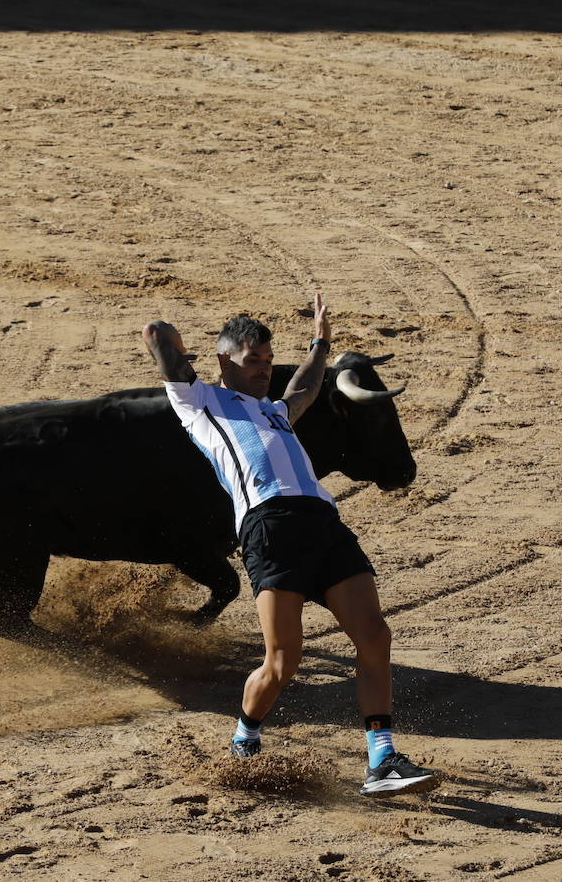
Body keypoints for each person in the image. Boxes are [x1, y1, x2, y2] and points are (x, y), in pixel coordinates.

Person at [142, 295, 440, 798]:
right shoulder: (198, 402)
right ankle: (244, 737)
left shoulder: (276, 411)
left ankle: (382, 760)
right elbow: (155, 331)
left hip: (324, 521)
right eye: (251, 360)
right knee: (283, 661)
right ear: (223, 362)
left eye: (266, 359)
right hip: (269, 527)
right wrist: (182, 350)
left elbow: (304, 385)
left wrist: (320, 342)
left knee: (374, 636)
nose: (263, 370)